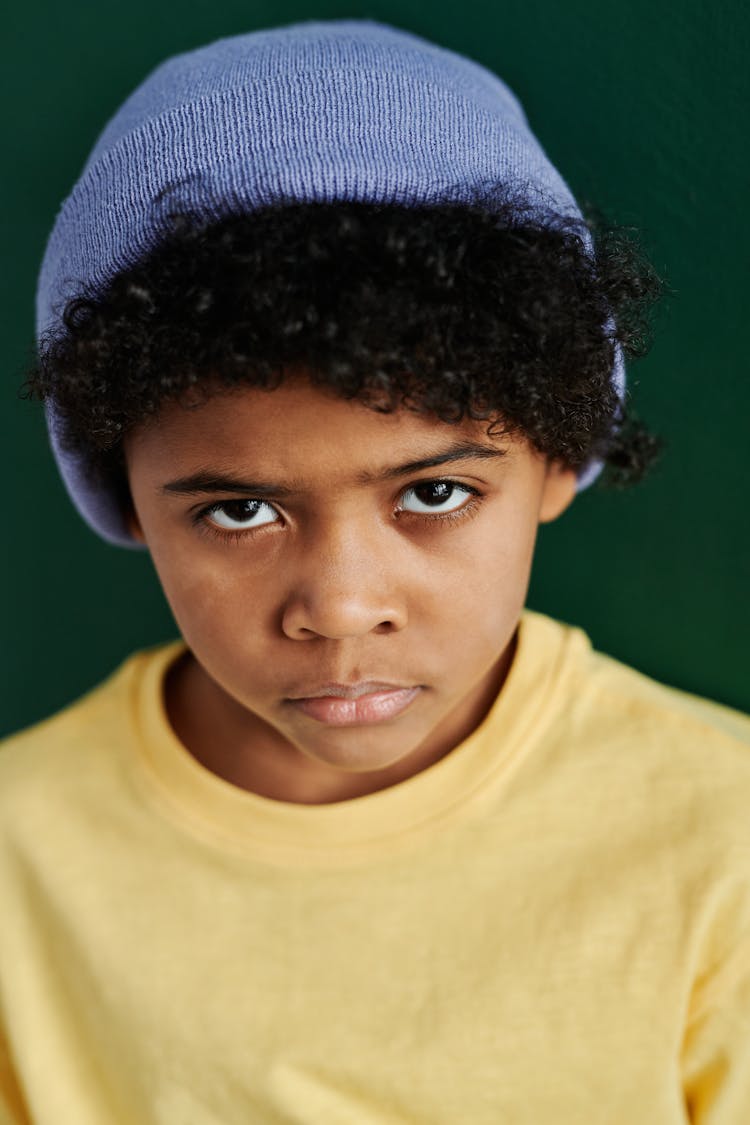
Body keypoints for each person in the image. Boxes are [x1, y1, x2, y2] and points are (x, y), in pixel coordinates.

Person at [2, 17, 748, 1124]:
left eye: (434, 494)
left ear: (556, 458)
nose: (342, 606)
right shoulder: (21, 854)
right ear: (127, 498)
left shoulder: (721, 834)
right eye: (240, 508)